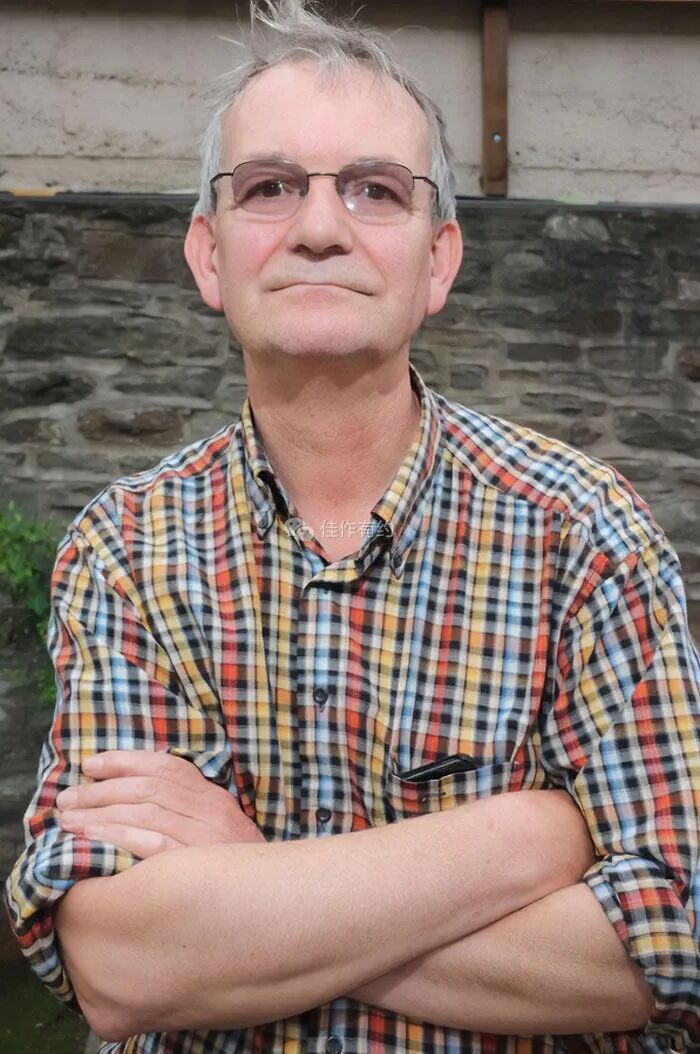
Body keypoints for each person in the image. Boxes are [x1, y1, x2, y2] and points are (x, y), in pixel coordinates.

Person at [4, 1, 699, 1051]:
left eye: (375, 189)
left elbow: (667, 944)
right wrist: (526, 840)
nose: (320, 228)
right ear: (207, 254)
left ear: (438, 260)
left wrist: (246, 881)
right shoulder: (127, 548)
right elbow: (119, 961)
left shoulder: (584, 534)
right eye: (269, 187)